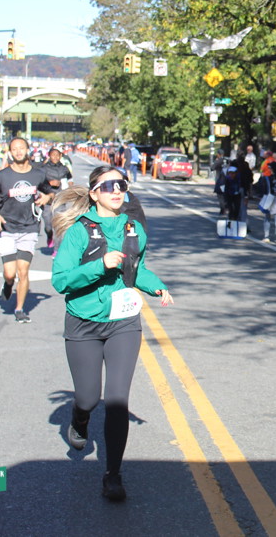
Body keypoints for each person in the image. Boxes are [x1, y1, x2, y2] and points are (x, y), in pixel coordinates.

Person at [51, 166, 173, 502]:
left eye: (121, 184)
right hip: (84, 322)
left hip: (123, 322)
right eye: (108, 186)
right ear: (94, 193)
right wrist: (100, 265)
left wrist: (157, 286)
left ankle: (113, 475)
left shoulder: (134, 229)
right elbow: (60, 280)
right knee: (89, 397)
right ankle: (80, 417)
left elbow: (137, 269)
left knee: (117, 400)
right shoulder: (79, 232)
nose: (117, 190)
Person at [0, 136, 55, 323]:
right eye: (14, 149)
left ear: (28, 150)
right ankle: (8, 284)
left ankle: (20, 309)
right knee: (10, 273)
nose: (18, 152)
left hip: (29, 228)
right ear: (10, 152)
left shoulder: (38, 174)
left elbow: (50, 192)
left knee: (23, 271)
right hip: (7, 228)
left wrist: (46, 198)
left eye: (21, 148)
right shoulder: (2, 176)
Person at [40, 148, 74, 249]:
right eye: (53, 155)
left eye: (57, 155)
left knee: (58, 225)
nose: (55, 157)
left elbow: (70, 179)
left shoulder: (64, 168)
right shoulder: (43, 168)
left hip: (60, 199)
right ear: (49, 156)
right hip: (47, 200)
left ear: (60, 156)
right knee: (48, 225)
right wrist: (50, 183)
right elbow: (39, 182)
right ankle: (49, 235)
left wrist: (70, 187)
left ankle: (57, 249)